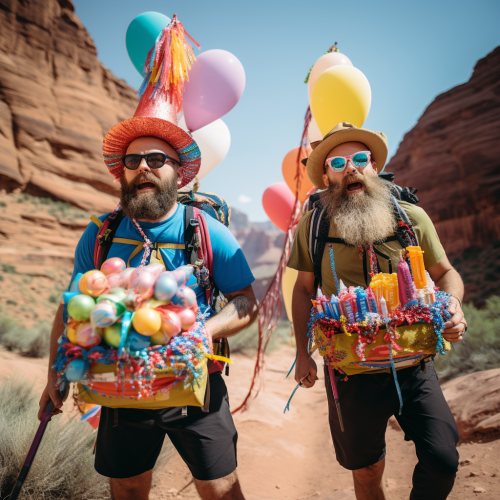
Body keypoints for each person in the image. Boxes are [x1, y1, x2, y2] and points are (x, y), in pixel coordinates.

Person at [39, 16, 257, 500]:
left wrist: (203, 330)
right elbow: (70, 303)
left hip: (197, 383)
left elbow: (246, 301)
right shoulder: (100, 233)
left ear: (179, 173)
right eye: (133, 161)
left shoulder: (206, 230)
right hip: (120, 387)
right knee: (128, 490)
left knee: (222, 490)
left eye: (157, 160)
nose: (143, 169)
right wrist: (55, 373)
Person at [288, 122, 467, 500]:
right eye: (338, 162)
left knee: (442, 459)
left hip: (413, 362)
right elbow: (304, 291)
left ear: (373, 166)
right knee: (366, 470)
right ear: (326, 176)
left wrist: (453, 305)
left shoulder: (410, 219)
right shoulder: (313, 226)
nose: (350, 167)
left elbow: (446, 273)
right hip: (349, 370)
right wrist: (303, 353)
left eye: (359, 159)